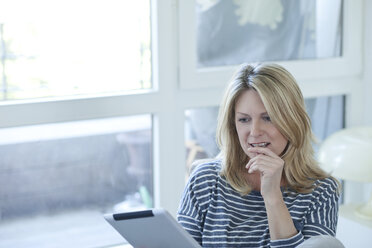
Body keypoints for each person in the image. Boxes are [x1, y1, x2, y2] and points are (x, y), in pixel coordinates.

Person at [177, 63, 342, 247]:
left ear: (292, 120)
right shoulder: (205, 181)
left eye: (268, 118)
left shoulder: (321, 191)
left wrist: (272, 196)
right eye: (244, 119)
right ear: (233, 126)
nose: (254, 132)